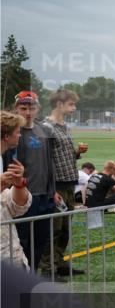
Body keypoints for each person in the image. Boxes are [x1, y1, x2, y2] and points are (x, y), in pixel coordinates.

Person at [1, 92, 58, 271]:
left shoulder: (45, 130)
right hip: (21, 198)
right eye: (23, 108)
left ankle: (31, 276)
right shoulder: (10, 134)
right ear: (16, 109)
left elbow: (49, 162)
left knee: (41, 240)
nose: (27, 112)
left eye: (31, 108)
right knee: (21, 241)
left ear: (37, 109)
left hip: (44, 196)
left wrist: (53, 190)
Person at [44, 89, 87, 275]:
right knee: (54, 228)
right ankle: (47, 267)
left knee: (65, 228)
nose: (74, 107)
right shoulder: (46, 127)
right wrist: (50, 187)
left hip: (70, 182)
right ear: (59, 105)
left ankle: (59, 262)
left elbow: (63, 155)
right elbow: (44, 159)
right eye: (71, 104)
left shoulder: (66, 127)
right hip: (57, 184)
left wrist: (77, 153)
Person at [1, 112, 30, 269]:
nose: (20, 135)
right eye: (18, 131)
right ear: (7, 136)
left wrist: (19, 183)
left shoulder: (3, 157)